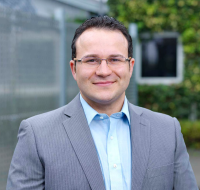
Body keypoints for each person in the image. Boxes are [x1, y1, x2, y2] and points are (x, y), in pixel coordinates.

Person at [7, 16, 198, 190]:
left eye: (115, 59)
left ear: (130, 67)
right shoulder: (36, 136)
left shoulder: (167, 130)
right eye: (91, 60)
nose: (104, 71)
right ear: (74, 69)